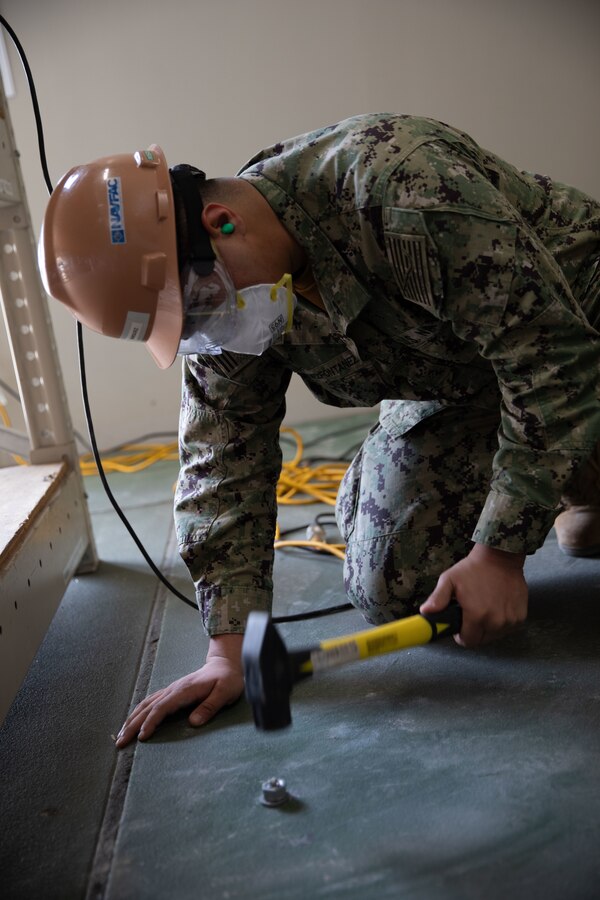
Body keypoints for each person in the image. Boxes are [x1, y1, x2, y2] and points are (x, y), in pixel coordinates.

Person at [39, 114, 600, 748]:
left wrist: (500, 551)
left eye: (199, 306)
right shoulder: (221, 298)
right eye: (188, 323)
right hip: (463, 385)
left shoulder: (398, 187)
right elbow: (222, 457)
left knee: (554, 421)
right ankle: (566, 476)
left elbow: (550, 353)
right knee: (396, 584)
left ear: (221, 222)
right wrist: (231, 649)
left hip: (580, 334)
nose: (210, 329)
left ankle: (580, 477)